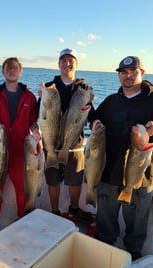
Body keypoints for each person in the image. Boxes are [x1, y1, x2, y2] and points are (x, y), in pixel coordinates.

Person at [88, 56, 153, 260]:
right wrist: (94, 122)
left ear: (142, 73)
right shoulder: (111, 101)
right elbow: (94, 119)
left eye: (133, 71)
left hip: (141, 177)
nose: (127, 76)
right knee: (105, 225)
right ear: (118, 75)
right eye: (123, 72)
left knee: (136, 227)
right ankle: (104, 255)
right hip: (109, 173)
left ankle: (133, 258)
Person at [0, 57, 40, 239]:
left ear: (20, 72)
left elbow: (34, 120)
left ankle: (23, 220)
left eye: (15, 68)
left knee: (23, 190)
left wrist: (36, 130)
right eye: (8, 68)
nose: (12, 71)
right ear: (3, 72)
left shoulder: (29, 96)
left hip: (19, 151)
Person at [40, 48, 93, 223]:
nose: (67, 63)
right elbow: (39, 115)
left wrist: (94, 117)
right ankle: (55, 211)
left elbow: (90, 116)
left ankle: (74, 208)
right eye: (63, 60)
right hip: (51, 143)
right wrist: (41, 99)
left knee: (76, 180)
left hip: (75, 144)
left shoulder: (84, 88)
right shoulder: (49, 87)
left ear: (76, 64)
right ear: (58, 64)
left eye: (71, 60)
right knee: (52, 178)